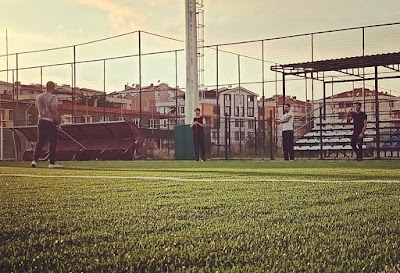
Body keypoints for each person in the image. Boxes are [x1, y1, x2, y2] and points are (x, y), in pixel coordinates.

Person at [31, 81, 63, 168]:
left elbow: (36, 108)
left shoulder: (38, 97)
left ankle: (34, 160)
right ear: (53, 87)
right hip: (50, 121)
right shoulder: (53, 97)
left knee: (40, 141)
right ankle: (51, 162)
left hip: (41, 121)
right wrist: (57, 122)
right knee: (52, 142)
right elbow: (53, 109)